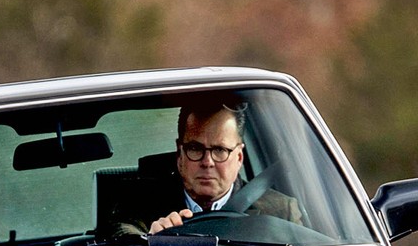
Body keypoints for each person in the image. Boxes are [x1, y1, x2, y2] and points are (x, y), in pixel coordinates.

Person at [107, 98, 303, 237]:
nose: (207, 162)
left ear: (239, 158)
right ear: (180, 155)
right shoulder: (137, 202)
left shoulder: (280, 212)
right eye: (195, 148)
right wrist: (149, 240)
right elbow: (121, 234)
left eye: (220, 150)